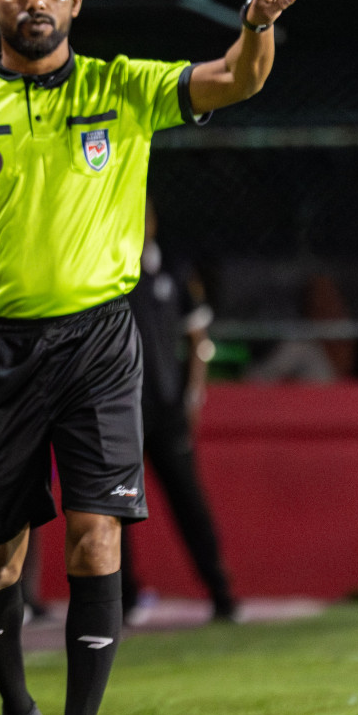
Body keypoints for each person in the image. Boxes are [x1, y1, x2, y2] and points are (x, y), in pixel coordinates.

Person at [0, 0, 303, 715]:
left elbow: (237, 77)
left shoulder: (124, 88)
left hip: (98, 342)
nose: (33, 1)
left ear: (75, 2)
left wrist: (257, 24)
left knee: (95, 536)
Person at [122, 205, 236, 622]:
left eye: (144, 215)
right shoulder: (105, 270)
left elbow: (198, 340)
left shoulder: (173, 268)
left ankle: (222, 593)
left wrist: (193, 397)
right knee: (116, 504)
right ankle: (125, 599)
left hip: (167, 408)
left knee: (189, 501)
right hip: (120, 409)